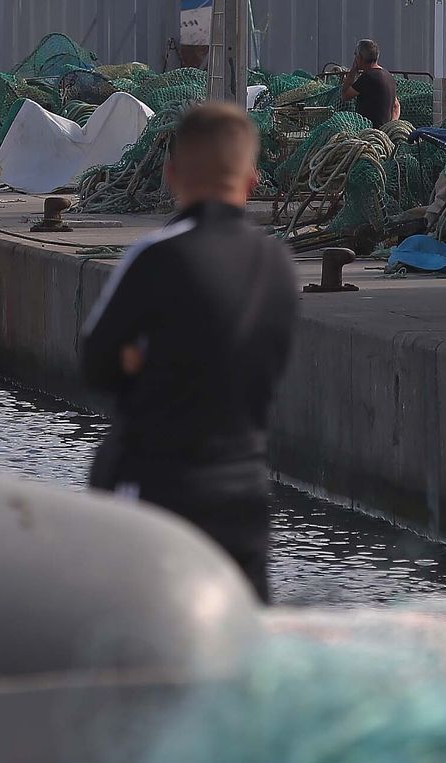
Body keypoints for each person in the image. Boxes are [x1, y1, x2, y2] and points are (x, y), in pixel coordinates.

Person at [79, 102, 297, 601]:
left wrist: (143, 362)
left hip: (156, 490)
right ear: (251, 180)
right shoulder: (278, 265)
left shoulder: (157, 255)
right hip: (244, 495)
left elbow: (95, 364)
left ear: (172, 174)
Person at [340, 38, 399, 127]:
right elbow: (396, 106)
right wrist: (389, 127)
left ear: (360, 57)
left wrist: (353, 70)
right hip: (384, 131)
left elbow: (344, 95)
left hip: (369, 131)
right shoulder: (389, 76)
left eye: (355, 55)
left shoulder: (367, 78)